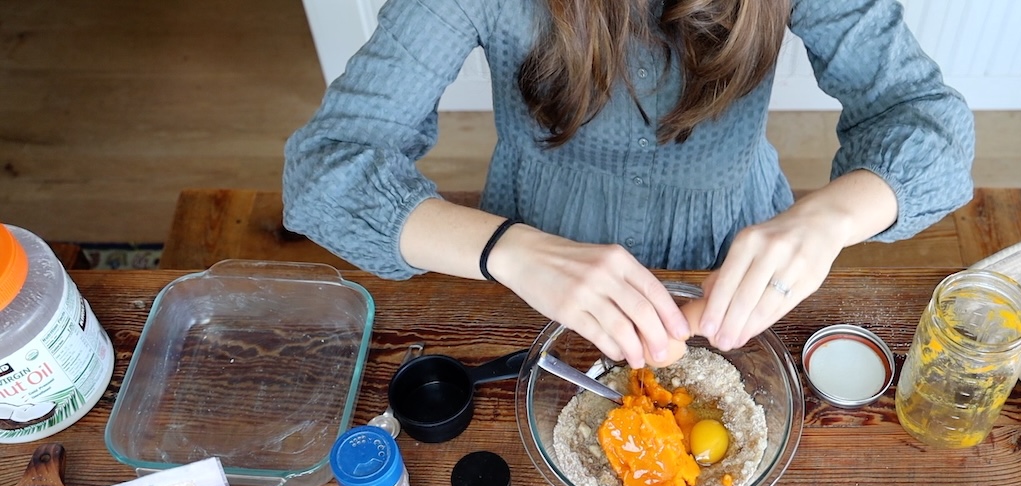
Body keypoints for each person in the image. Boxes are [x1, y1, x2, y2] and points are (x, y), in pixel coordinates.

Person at [284, 0, 974, 368]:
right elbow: (323, 168)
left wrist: (826, 221)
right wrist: (512, 252)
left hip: (733, 267)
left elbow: (929, 125)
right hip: (533, 268)